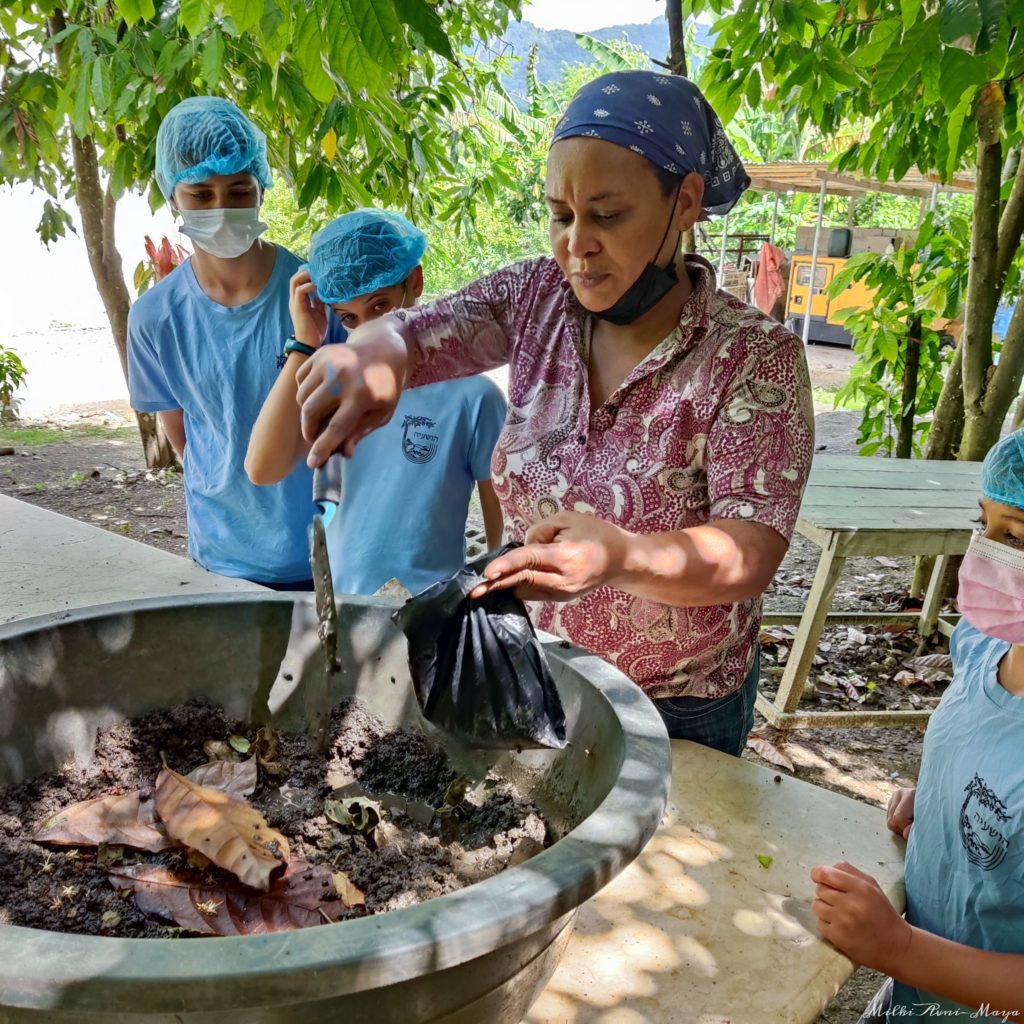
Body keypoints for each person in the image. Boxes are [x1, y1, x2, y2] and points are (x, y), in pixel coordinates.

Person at [291, 71, 815, 755]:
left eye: (607, 215)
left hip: (679, 705)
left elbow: (747, 553)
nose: (576, 245)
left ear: (684, 202)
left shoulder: (752, 355)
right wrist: (375, 350)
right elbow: (416, 332)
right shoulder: (536, 298)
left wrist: (622, 555)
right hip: (543, 666)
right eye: (561, 215)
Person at [811, 430, 1024, 1021]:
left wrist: (897, 947)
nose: (985, 552)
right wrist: (941, 795)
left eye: (1016, 537)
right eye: (983, 524)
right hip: (920, 998)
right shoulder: (987, 647)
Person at [127, 97, 341, 589]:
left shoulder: (318, 298)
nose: (221, 209)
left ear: (262, 188)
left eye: (239, 190)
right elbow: (182, 435)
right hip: (220, 561)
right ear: (172, 195)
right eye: (200, 194)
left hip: (324, 556)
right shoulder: (155, 319)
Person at [245, 209, 506, 596]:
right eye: (348, 318)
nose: (368, 331)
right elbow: (263, 469)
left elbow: (502, 531)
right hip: (343, 610)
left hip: (430, 616)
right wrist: (306, 343)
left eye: (381, 306)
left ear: (414, 281)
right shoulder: (335, 386)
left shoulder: (473, 397)